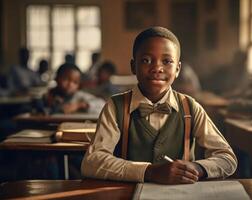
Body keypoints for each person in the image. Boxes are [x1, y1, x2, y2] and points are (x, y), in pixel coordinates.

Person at [81, 27, 237, 184]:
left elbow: (227, 159)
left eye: (167, 61)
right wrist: (149, 172)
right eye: (146, 60)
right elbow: (92, 162)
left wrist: (197, 168)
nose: (157, 68)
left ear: (177, 69)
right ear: (133, 66)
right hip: (129, 193)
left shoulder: (190, 107)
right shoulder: (116, 106)